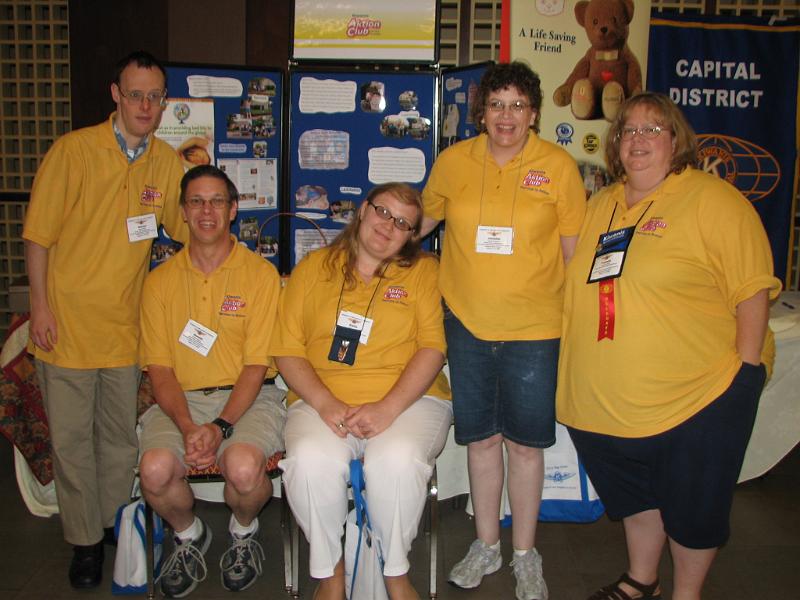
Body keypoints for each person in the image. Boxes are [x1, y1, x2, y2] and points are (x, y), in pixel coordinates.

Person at [556, 92, 782, 600]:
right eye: (628, 131)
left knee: (693, 509)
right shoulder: (602, 203)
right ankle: (642, 579)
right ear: (615, 144)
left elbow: (751, 289)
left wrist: (744, 378)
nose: (638, 140)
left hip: (697, 396)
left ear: (676, 140)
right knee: (636, 500)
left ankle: (687, 593)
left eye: (653, 130)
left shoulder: (713, 200)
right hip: (605, 403)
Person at [420, 61, 585, 600]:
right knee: (482, 441)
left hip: (534, 328)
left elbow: (572, 253)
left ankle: (524, 554)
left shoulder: (558, 167)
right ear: (481, 112)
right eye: (496, 105)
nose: (506, 116)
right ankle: (487, 545)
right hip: (466, 323)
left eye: (518, 105)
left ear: (534, 113)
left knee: (526, 445)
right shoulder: (453, 162)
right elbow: (418, 224)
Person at [22, 50, 187, 589]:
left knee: (118, 441)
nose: (145, 105)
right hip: (65, 326)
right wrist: (41, 307)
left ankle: (119, 526)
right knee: (72, 443)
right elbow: (38, 236)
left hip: (123, 330)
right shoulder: (74, 151)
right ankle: (84, 543)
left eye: (155, 97)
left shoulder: (164, 162)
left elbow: (186, 229)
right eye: (135, 94)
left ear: (165, 103)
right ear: (115, 94)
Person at [272, 182, 453, 600]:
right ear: (362, 211)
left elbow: (432, 349)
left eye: (403, 223)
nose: (388, 226)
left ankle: (395, 573)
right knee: (310, 461)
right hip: (321, 400)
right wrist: (325, 402)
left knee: (397, 460)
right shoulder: (314, 267)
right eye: (383, 212)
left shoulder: (424, 272)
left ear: (412, 235)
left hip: (409, 402)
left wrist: (388, 409)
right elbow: (285, 349)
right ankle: (330, 575)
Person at [137, 165, 285, 598]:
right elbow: (159, 369)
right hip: (178, 402)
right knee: (155, 471)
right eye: (196, 201)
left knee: (241, 468)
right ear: (182, 211)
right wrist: (187, 426)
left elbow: (257, 367)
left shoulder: (259, 276)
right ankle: (188, 535)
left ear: (233, 209)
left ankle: (243, 531)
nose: (207, 211)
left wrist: (219, 426)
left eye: (217, 201)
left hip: (249, 398)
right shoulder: (159, 282)